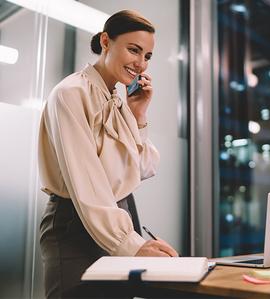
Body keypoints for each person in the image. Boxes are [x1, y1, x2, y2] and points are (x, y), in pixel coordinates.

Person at [38, 10, 178, 298]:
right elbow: (87, 181)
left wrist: (139, 115)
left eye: (148, 56)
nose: (140, 64)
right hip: (75, 224)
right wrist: (132, 244)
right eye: (134, 50)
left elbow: (143, 168)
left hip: (115, 217)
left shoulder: (118, 99)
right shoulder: (71, 93)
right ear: (106, 41)